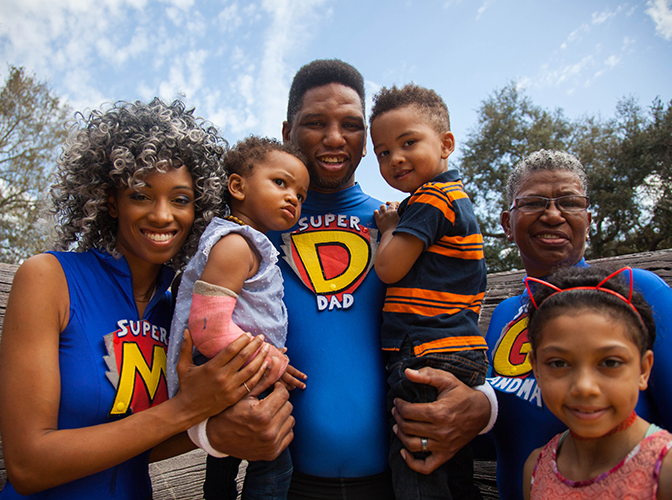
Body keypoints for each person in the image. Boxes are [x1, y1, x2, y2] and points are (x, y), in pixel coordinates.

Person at [203, 59, 496, 500]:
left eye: (351, 125)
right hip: (284, 484)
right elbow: (197, 329)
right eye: (315, 122)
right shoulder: (250, 235)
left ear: (367, 141)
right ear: (287, 132)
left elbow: (454, 316)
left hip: (399, 483)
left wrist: (484, 405)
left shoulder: (404, 224)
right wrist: (208, 429)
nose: (334, 137)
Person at [0, 99, 272, 499]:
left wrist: (212, 431)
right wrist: (188, 410)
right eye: (141, 195)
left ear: (199, 209)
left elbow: (137, 445)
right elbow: (27, 465)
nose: (163, 216)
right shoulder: (49, 278)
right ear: (111, 201)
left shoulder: (178, 310)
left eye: (180, 200)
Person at [482, 149, 672, 499]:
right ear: (507, 224)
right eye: (533, 203)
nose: (552, 215)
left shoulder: (636, 291)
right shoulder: (505, 315)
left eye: (568, 202)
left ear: (588, 218)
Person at [166, 136, 310, 499]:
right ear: (237, 186)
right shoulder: (235, 244)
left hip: (236, 366)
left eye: (301, 194)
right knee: (273, 460)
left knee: (226, 462)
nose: (293, 196)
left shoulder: (248, 244)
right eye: (280, 183)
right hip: (229, 366)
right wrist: (272, 363)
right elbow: (208, 329)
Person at [369, 84, 488, 499]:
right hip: (459, 350)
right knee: (452, 469)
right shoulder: (458, 200)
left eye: (408, 143)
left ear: (446, 144)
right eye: (383, 152)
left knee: (415, 468)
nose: (395, 158)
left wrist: (387, 229)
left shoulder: (432, 199)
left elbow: (388, 268)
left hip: (426, 351)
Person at [522, 266, 672, 498]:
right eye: (559, 363)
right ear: (537, 369)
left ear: (643, 369)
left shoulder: (665, 469)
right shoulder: (536, 467)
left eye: (610, 363)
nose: (584, 387)